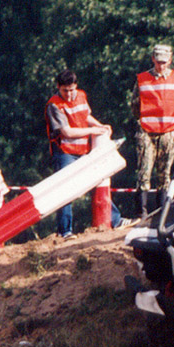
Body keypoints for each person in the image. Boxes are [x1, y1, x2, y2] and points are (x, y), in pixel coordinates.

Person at [46, 69, 123, 238]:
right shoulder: (54, 105)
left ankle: (115, 219)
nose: (69, 94)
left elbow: (86, 116)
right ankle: (65, 231)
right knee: (66, 189)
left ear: (76, 86)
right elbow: (67, 132)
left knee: (100, 180)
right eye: (65, 90)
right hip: (65, 152)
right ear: (58, 87)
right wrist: (94, 130)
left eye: (71, 89)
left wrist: (100, 126)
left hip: (83, 150)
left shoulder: (81, 96)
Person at [135, 44, 174, 218]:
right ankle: (142, 212)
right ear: (153, 59)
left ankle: (162, 213)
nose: (161, 65)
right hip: (147, 131)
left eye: (164, 62)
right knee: (144, 172)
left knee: (165, 174)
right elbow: (135, 105)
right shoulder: (142, 79)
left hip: (169, 131)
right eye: (158, 62)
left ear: (170, 60)